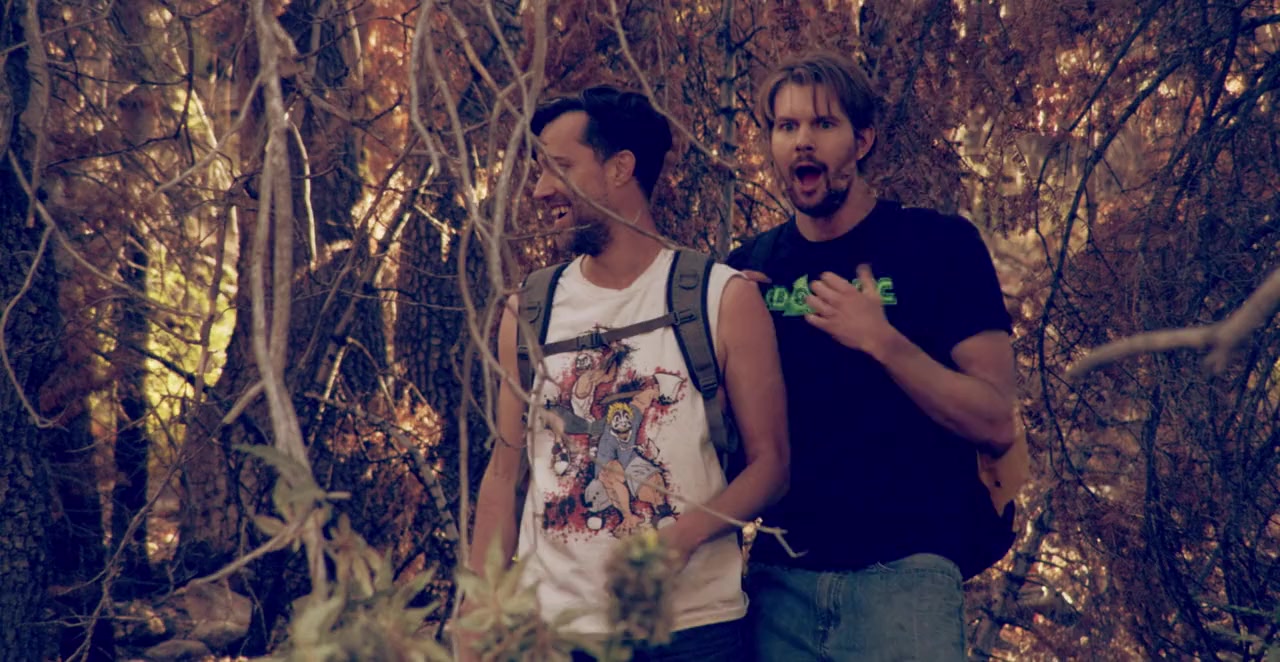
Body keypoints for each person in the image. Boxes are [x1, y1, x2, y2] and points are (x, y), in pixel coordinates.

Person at [464, 85, 789, 661]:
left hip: (693, 633)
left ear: (619, 169)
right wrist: (475, 614)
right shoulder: (530, 310)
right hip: (557, 634)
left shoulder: (721, 298)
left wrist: (679, 540)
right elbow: (503, 476)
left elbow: (772, 467)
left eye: (559, 168)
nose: (539, 190)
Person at [727, 51, 1019, 661]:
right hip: (780, 583)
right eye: (786, 126)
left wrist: (882, 341)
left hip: (905, 579)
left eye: (823, 124)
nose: (802, 142)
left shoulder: (937, 246)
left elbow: (994, 420)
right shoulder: (748, 269)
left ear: (862, 141)